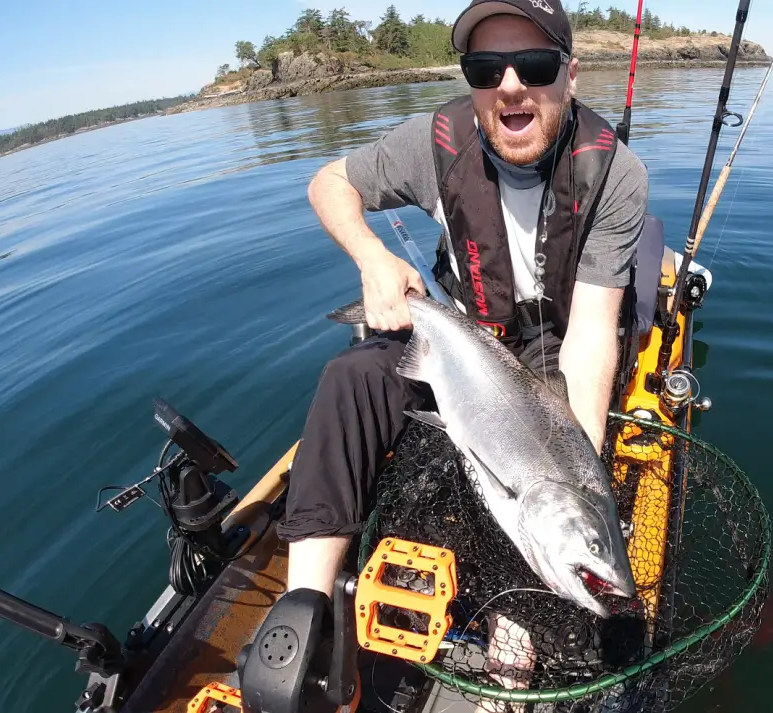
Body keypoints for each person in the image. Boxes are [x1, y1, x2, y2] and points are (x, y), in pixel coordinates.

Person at [277, 1, 648, 697]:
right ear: (471, 80)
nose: (510, 85)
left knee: (540, 473)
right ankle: (303, 610)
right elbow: (329, 183)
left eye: (534, 65)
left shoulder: (615, 174)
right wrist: (372, 257)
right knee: (350, 378)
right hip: (456, 328)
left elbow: (595, 332)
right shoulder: (435, 139)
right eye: (485, 67)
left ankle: (519, 605)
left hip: (551, 347)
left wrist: (575, 464)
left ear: (569, 73)